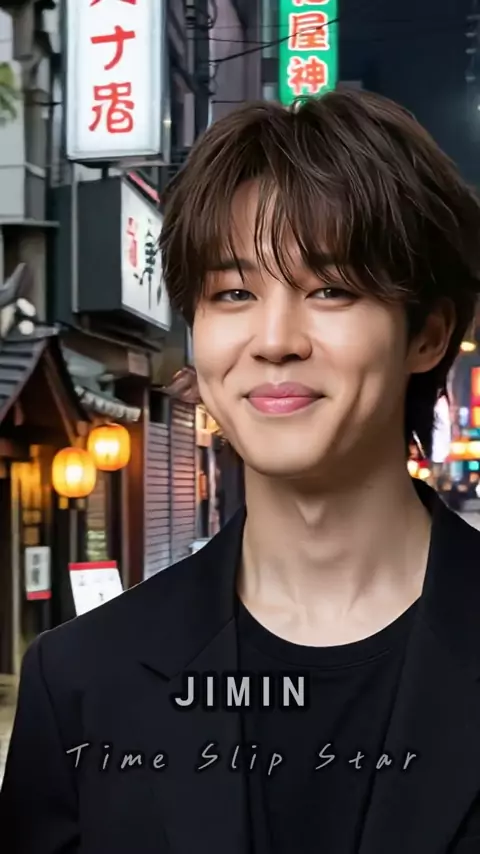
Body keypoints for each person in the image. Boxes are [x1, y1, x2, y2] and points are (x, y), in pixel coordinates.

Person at [2, 90, 480, 854]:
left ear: (427, 334)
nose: (274, 339)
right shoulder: (81, 679)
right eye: (233, 293)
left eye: (330, 289)